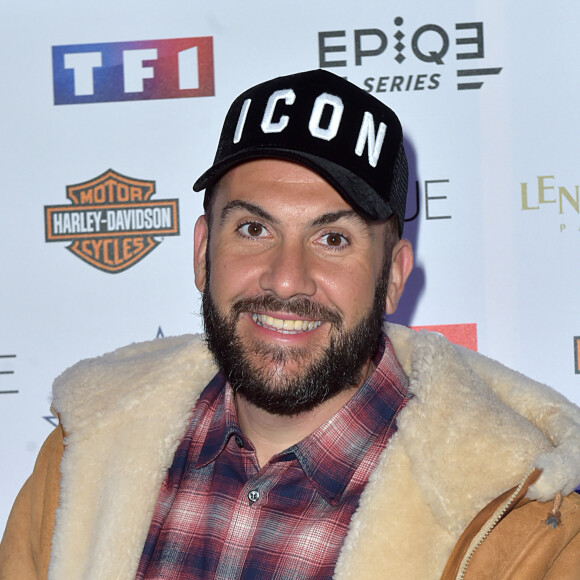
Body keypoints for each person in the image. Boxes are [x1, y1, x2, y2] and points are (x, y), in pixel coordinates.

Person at [1, 69, 580, 580]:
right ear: (203, 251)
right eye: (254, 229)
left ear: (394, 276)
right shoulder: (82, 454)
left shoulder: (522, 523)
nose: (285, 279)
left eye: (332, 238)